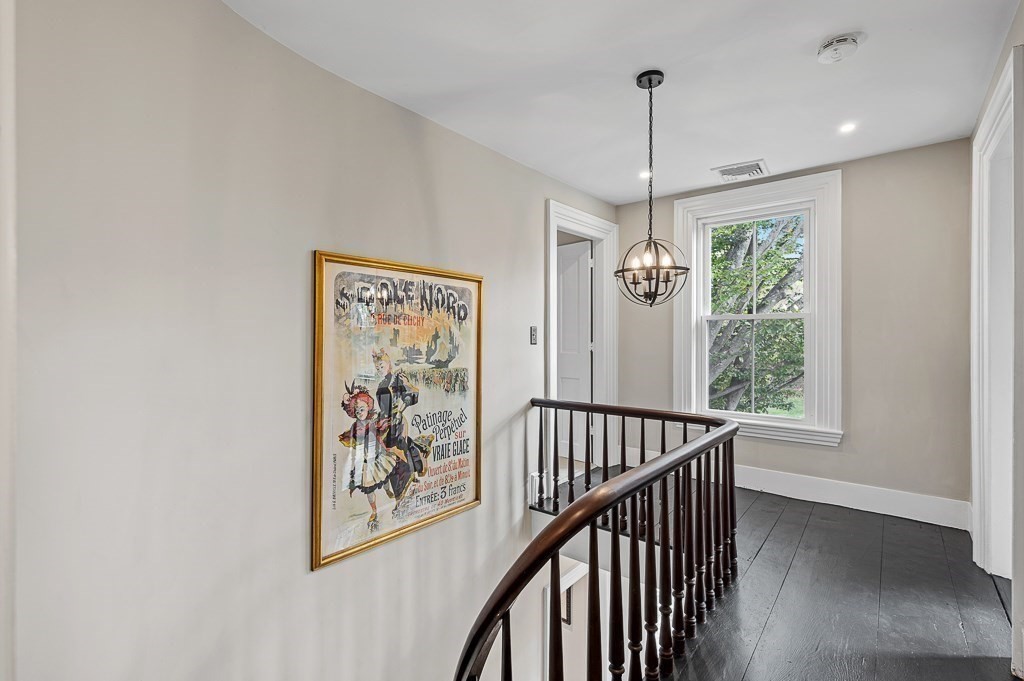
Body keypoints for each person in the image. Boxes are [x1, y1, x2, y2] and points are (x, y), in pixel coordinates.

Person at [338, 383, 411, 527]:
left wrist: (386, 426)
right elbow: (354, 443)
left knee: (385, 477)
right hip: (366, 462)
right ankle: (374, 511)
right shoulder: (354, 427)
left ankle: (388, 490)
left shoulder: (373, 423)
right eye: (356, 411)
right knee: (369, 491)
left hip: (379, 457)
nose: (359, 412)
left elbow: (380, 432)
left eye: (362, 409)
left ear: (368, 408)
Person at [373, 348, 429, 475]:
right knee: (383, 446)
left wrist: (400, 410)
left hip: (398, 419)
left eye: (381, 366)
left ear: (389, 365)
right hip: (385, 420)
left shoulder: (398, 379)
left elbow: (411, 396)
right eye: (377, 368)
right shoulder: (381, 384)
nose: (380, 370)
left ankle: (413, 469)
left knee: (401, 444)